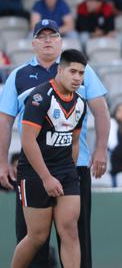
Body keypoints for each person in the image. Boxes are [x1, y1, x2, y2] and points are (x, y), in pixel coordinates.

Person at [0, 19, 110, 268]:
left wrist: (100, 149)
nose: (48, 40)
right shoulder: (19, 76)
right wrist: (2, 162)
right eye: (42, 36)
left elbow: (101, 112)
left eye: (53, 35)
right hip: (34, 166)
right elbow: (5, 122)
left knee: (75, 233)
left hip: (74, 165)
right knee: (34, 236)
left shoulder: (82, 70)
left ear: (61, 41)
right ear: (33, 43)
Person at [10, 49, 88, 268]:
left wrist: (70, 172)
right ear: (60, 70)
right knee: (37, 237)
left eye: (81, 73)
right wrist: (46, 178)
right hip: (35, 173)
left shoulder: (80, 102)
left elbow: (74, 141)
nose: (77, 78)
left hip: (65, 173)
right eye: (72, 71)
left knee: (70, 232)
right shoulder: (39, 97)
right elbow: (28, 141)